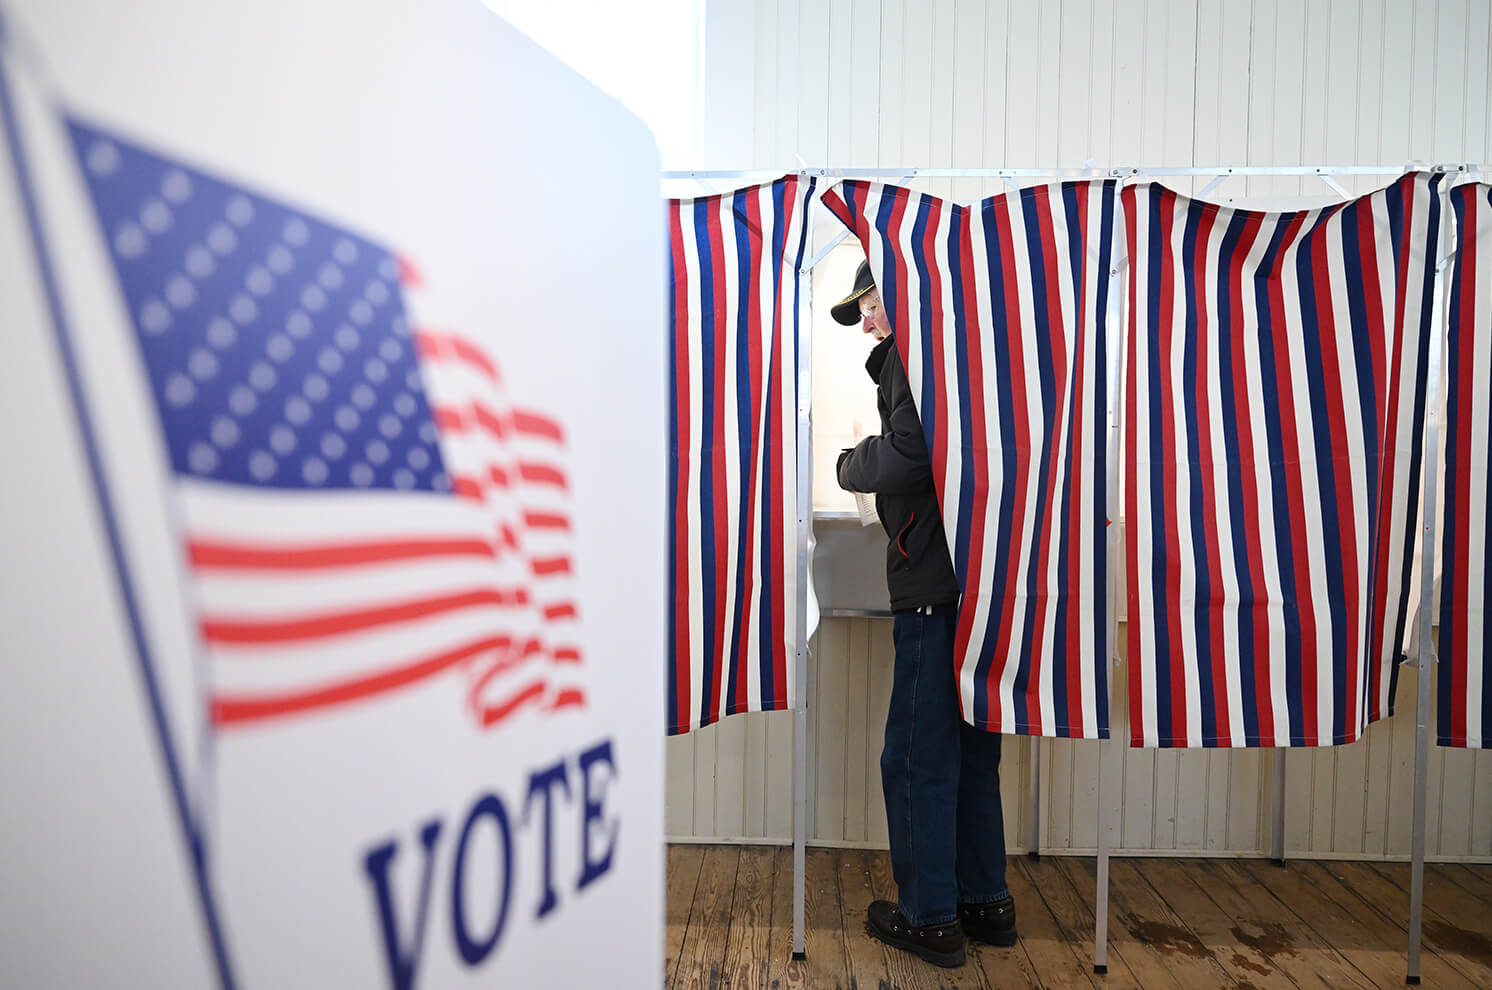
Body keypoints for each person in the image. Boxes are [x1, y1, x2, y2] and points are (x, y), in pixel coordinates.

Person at [832, 260, 1016, 969]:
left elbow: (910, 457)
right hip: (980, 578)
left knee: (914, 756)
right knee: (973, 752)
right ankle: (985, 902)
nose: (870, 323)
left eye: (873, 306)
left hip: (932, 584)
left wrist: (850, 463)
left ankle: (931, 917)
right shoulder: (967, 354)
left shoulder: (911, 363)